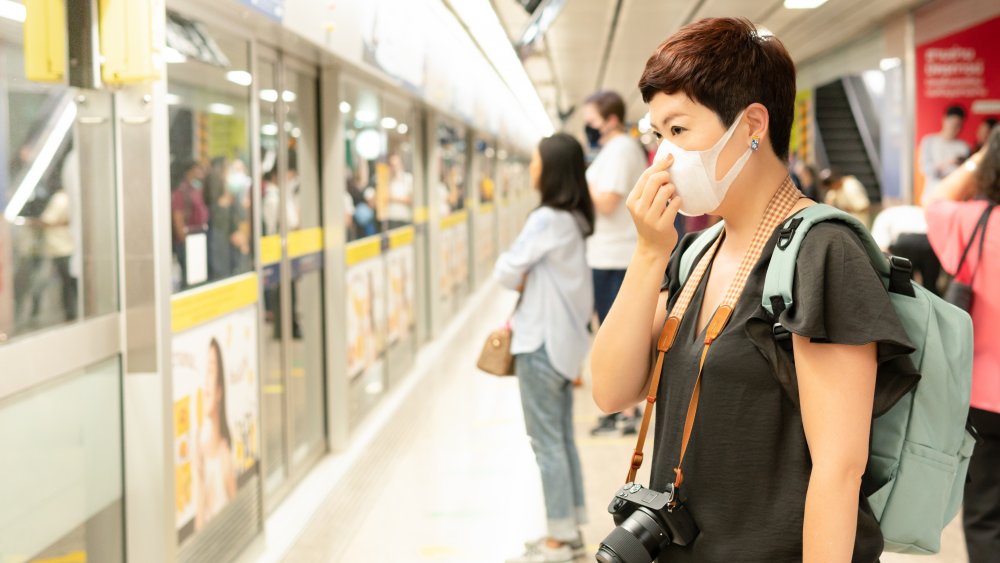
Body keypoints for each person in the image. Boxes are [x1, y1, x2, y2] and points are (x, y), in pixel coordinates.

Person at [591, 17, 916, 562]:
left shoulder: (822, 253)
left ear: (751, 124)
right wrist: (649, 252)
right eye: (657, 135)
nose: (663, 159)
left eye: (679, 130)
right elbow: (610, 389)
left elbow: (839, 470)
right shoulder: (697, 251)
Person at [495, 133, 595, 563]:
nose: (531, 167)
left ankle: (556, 540)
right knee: (562, 439)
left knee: (546, 442)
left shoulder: (546, 221)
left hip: (539, 343)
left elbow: (505, 271)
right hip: (566, 344)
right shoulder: (573, 220)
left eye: (536, 160)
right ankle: (568, 527)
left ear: (549, 169)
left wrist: (520, 268)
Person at [923, 125, 1000, 562]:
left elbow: (934, 200)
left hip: (984, 395)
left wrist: (981, 156)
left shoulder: (973, 221)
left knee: (986, 512)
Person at [581, 90, 647, 436]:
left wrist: (579, 183)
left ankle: (625, 410)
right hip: (605, 254)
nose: (587, 127)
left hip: (616, 256)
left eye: (591, 120)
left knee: (616, 335)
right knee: (608, 332)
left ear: (609, 120)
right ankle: (620, 407)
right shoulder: (611, 150)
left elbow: (607, 203)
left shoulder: (621, 149)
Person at [194, 338, 237, 529]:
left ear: (220, 389)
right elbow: (199, 521)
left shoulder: (225, 454)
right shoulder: (200, 448)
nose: (205, 386)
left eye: (210, 371)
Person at [171, 160, 209, 289]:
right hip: (188, 242)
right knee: (189, 279)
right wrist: (184, 241)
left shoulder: (198, 189)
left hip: (198, 239)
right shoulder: (181, 192)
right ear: (189, 172)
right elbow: (178, 218)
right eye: (197, 170)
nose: (201, 174)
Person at [920, 105, 971, 192]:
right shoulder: (929, 141)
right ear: (944, 120)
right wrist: (947, 163)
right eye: (952, 123)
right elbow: (925, 169)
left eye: (958, 125)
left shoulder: (964, 147)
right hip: (933, 192)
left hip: (955, 193)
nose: (954, 128)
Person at [386, 153, 414, 229]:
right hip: (390, 219)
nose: (394, 168)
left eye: (396, 165)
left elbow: (412, 199)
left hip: (405, 218)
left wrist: (392, 198)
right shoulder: (386, 181)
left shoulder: (408, 179)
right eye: (392, 165)